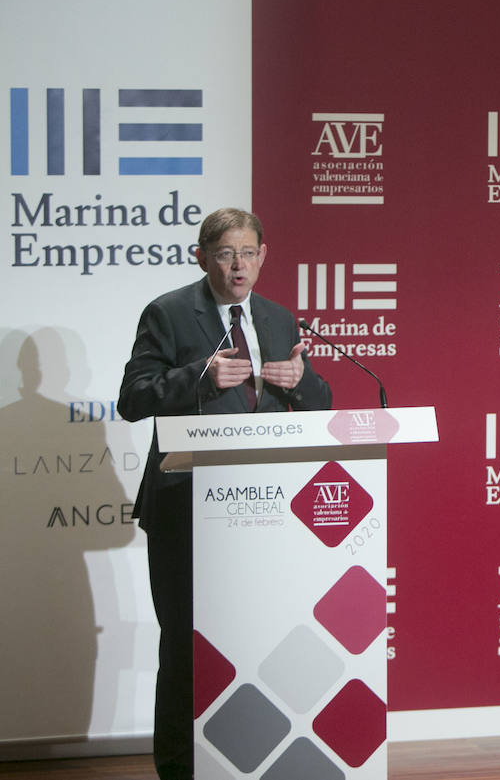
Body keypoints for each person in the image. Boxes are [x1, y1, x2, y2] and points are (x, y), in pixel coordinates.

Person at [117, 208, 331, 780]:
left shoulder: (280, 319)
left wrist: (301, 382)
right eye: (224, 254)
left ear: (264, 257)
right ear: (202, 257)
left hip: (266, 511)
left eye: (248, 253)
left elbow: (319, 401)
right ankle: (180, 768)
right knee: (185, 648)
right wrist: (200, 377)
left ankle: (252, 757)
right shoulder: (168, 313)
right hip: (186, 508)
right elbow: (133, 398)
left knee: (259, 641)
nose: (238, 265)